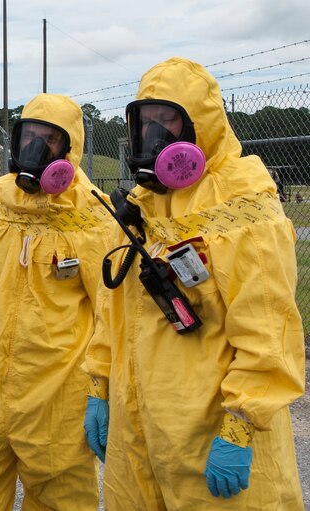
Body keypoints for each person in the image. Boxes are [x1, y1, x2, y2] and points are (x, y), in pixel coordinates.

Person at [83, 57, 305, 509]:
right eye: (146, 123)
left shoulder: (243, 205)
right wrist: (99, 388)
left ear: (200, 125)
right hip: (139, 429)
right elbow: (114, 313)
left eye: (168, 121)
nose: (155, 135)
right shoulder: (143, 207)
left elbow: (267, 325)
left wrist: (241, 424)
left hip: (211, 433)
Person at [0, 93, 112, 510]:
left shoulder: (91, 213)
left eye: (48, 139)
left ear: (70, 149)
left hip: (58, 392)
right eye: (28, 136)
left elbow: (111, 310)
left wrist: (99, 386)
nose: (35, 148)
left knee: (61, 499)